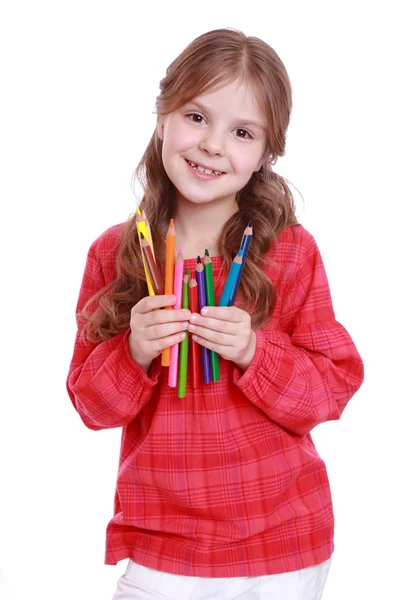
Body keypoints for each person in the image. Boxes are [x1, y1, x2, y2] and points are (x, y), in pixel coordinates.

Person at [66, 27, 364, 600]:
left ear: (266, 154)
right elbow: (90, 406)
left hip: (281, 546)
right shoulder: (114, 252)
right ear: (162, 117)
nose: (212, 144)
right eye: (196, 116)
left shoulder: (291, 251)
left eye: (242, 131)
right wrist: (133, 351)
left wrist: (255, 352)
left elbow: (334, 386)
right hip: (164, 547)